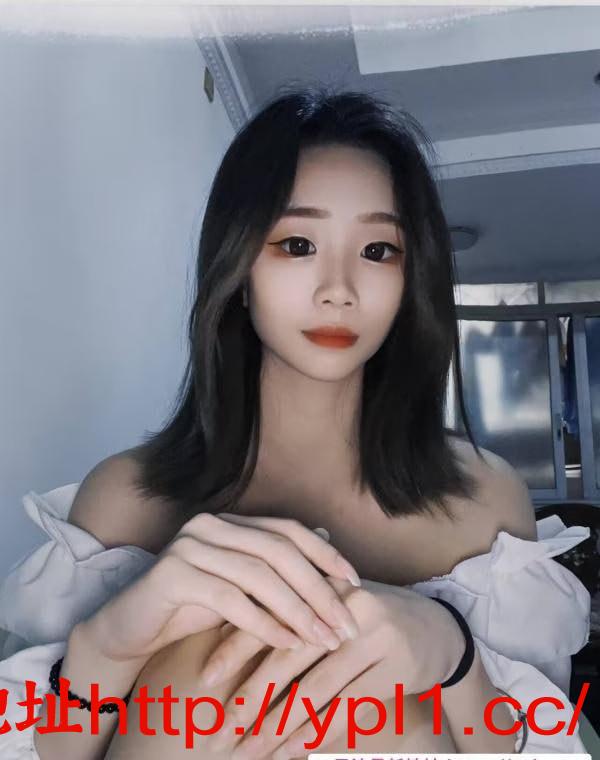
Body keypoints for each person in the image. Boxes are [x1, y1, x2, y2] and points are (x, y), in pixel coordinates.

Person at [0, 86, 591, 759]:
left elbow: (533, 742)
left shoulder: (484, 502)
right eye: (298, 243)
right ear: (238, 266)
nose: (338, 289)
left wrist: (454, 656)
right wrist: (103, 646)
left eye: (379, 251)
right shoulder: (123, 501)